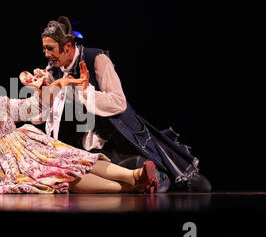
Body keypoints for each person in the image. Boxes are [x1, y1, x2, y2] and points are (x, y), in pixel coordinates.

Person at [0, 67, 158, 194]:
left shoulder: (0, 106)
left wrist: (43, 88)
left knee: (77, 159)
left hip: (32, 150)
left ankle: (134, 175)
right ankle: (131, 186)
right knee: (62, 177)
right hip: (7, 169)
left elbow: (35, 109)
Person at [38, 16, 211, 192]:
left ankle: (157, 175)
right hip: (91, 143)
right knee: (86, 169)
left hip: (121, 135)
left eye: (50, 48)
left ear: (67, 46)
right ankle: (145, 179)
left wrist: (82, 92)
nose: (46, 54)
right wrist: (40, 87)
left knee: (199, 185)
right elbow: (50, 110)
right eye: (44, 48)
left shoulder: (95, 59)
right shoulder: (55, 69)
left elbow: (118, 102)